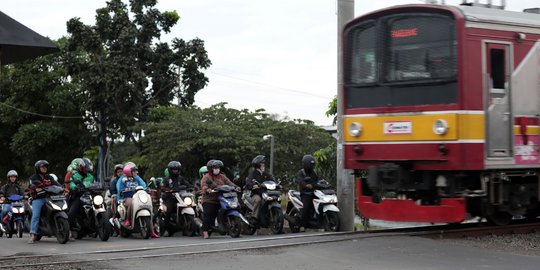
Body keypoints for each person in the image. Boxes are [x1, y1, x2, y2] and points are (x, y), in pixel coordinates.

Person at [116, 163, 160, 238]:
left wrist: (147, 188)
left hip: (138, 196)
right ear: (129, 172)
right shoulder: (123, 180)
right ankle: (128, 220)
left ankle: (152, 231)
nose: (136, 172)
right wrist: (124, 190)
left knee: (148, 204)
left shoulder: (137, 178)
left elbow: (143, 185)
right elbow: (119, 188)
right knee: (131, 202)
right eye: (134, 171)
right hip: (127, 198)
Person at [200, 160, 240, 239]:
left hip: (222, 198)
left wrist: (236, 187)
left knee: (231, 206)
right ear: (210, 168)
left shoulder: (222, 176)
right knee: (209, 214)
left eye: (218, 167)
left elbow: (229, 183)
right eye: (215, 167)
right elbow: (204, 185)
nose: (217, 169)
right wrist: (207, 190)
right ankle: (205, 231)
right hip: (210, 200)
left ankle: (225, 224)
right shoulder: (206, 177)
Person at [28, 160, 61, 244]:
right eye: (42, 167)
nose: (44, 168)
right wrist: (36, 187)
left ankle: (67, 231)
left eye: (45, 167)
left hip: (50, 198)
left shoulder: (49, 177)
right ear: (38, 168)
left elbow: (56, 184)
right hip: (38, 199)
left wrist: (62, 188)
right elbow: (32, 185)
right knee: (36, 215)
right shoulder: (34, 177)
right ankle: (33, 234)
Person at [244, 155, 276, 224]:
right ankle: (254, 217)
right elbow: (248, 183)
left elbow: (272, 179)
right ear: (258, 164)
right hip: (256, 193)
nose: (263, 165)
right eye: (262, 163)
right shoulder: (253, 173)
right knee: (258, 200)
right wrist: (253, 185)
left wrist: (277, 184)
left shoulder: (265, 173)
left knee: (276, 197)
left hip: (266, 193)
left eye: (264, 163)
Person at [67, 158, 95, 233]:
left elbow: (95, 183)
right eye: (85, 168)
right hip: (79, 196)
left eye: (88, 169)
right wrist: (75, 187)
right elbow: (71, 183)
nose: (87, 170)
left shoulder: (91, 176)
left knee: (102, 203)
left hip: (90, 196)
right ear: (81, 167)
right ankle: (71, 229)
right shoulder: (75, 175)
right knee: (71, 212)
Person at [296, 154, 320, 230]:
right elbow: (300, 181)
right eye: (311, 164)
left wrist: (314, 185)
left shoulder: (314, 173)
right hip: (305, 193)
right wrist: (306, 185)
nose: (312, 166)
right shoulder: (301, 172)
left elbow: (317, 181)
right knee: (305, 207)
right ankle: (302, 225)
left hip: (314, 192)